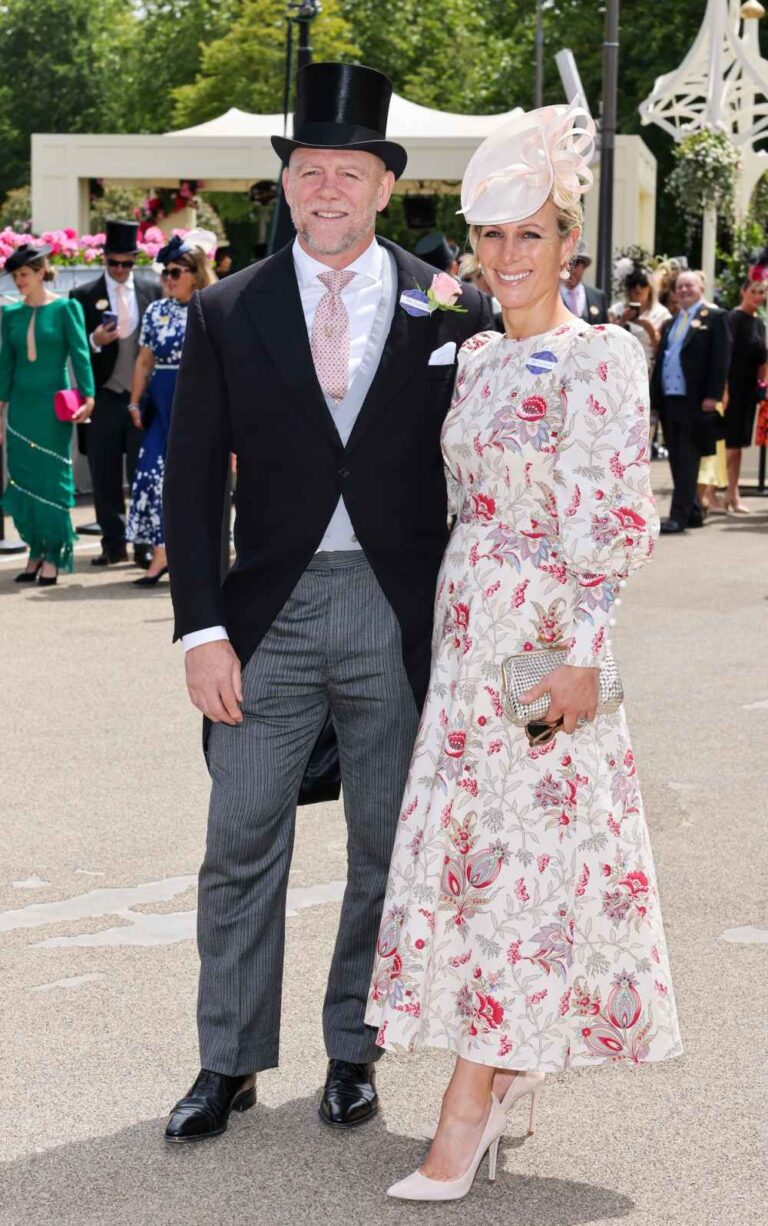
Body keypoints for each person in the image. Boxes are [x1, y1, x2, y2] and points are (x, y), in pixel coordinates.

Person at [161, 61, 495, 1145]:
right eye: (310, 171)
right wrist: (203, 628)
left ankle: (355, 1050)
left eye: (350, 171)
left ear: (386, 186)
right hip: (271, 617)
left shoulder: (451, 303)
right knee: (240, 834)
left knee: (384, 843)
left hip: (401, 613)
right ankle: (228, 1060)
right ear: (288, 187)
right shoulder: (226, 310)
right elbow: (194, 476)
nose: (329, 189)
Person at [366, 103, 683, 1203]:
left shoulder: (599, 358)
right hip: (469, 632)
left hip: (544, 636)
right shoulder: (474, 361)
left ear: (570, 249)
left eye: (532, 234)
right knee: (479, 861)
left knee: (530, 867)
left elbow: (610, 521)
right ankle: (509, 1065)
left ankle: (469, 1105)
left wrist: (584, 659)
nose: (508, 256)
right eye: (491, 236)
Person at [0, 243, 95, 585]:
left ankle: (55, 553)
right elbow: (4, 368)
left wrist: (89, 396)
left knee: (51, 480)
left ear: (41, 272)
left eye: (24, 274)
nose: (18, 281)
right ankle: (35, 550)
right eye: (15, 276)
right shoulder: (10, 314)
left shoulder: (67, 308)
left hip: (53, 408)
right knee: (22, 479)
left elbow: (81, 355)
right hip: (21, 409)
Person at [126, 231, 217, 586]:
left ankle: (191, 558)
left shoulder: (211, 306)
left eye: (176, 272)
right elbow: (144, 361)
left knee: (194, 481)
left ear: (196, 273)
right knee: (151, 476)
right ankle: (161, 551)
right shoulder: (156, 311)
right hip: (162, 404)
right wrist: (135, 401)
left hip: (198, 403)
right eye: (165, 272)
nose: (167, 279)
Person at [70, 219, 162, 568]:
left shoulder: (152, 291)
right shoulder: (82, 296)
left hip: (141, 397)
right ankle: (113, 543)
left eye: (127, 263)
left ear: (135, 260)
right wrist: (96, 340)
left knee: (142, 473)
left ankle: (142, 543)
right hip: (103, 394)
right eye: (114, 263)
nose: (121, 270)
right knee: (103, 472)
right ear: (104, 260)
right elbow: (77, 347)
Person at [650, 270, 731, 535]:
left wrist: (713, 395)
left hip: (695, 401)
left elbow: (721, 359)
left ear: (701, 288)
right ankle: (694, 510)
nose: (683, 290)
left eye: (689, 286)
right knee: (676, 458)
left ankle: (678, 517)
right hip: (670, 400)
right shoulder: (672, 323)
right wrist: (655, 401)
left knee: (687, 457)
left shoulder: (715, 317)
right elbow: (661, 361)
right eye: (679, 286)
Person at [722, 277, 767, 514]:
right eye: (754, 291)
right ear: (743, 291)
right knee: (728, 443)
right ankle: (717, 493)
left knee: (739, 443)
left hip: (749, 389)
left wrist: (763, 386)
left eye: (762, 292)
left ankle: (732, 492)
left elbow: (762, 358)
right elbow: (725, 355)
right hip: (732, 387)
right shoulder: (733, 318)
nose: (759, 296)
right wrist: (724, 388)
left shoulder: (759, 322)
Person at [560, 242, 608, 323]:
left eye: (575, 263)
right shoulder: (549, 296)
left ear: (584, 267)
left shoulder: (598, 297)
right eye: (566, 263)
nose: (570, 269)